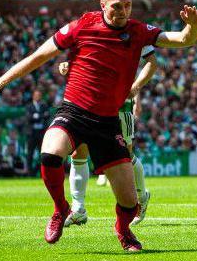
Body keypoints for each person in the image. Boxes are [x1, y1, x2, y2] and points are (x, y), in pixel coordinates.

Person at [0, 0, 197, 252]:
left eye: (128, 6)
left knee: (130, 203)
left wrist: (193, 26)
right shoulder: (81, 26)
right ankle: (62, 209)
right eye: (117, 5)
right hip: (74, 112)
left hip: (108, 123)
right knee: (50, 153)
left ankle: (123, 228)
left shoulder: (139, 30)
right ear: (103, 2)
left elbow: (181, 39)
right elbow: (37, 57)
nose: (122, 12)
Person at [58, 45, 157, 227]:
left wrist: (137, 92)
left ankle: (142, 196)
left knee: (125, 158)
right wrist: (68, 65)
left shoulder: (133, 33)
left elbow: (148, 64)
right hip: (90, 103)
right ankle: (78, 209)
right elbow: (86, 62)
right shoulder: (93, 31)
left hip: (119, 105)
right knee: (79, 152)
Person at [26, 89, 50, 176]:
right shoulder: (29, 106)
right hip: (32, 133)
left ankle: (42, 172)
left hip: (41, 133)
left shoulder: (44, 105)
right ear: (33, 96)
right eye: (36, 95)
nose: (38, 97)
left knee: (42, 153)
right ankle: (30, 173)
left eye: (39, 95)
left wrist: (36, 116)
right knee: (30, 153)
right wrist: (41, 116)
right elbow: (29, 118)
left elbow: (47, 115)